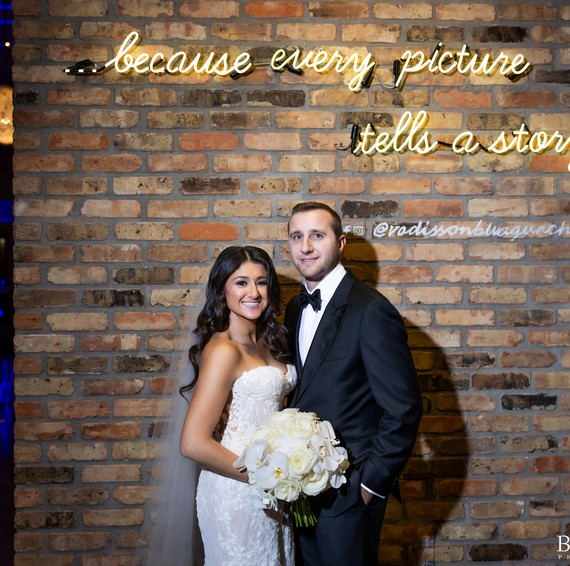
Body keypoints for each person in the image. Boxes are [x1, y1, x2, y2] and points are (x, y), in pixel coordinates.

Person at [284, 201, 423, 565]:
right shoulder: (294, 308)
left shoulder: (371, 309)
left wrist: (369, 484)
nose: (305, 247)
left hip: (350, 487)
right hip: (299, 488)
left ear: (341, 243)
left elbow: (404, 408)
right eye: (296, 237)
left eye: (317, 235)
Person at [174, 245, 297, 564]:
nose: (253, 292)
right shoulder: (223, 350)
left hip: (272, 488)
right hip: (237, 488)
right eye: (241, 282)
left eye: (261, 282)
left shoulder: (269, 341)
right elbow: (192, 443)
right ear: (222, 290)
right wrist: (264, 477)